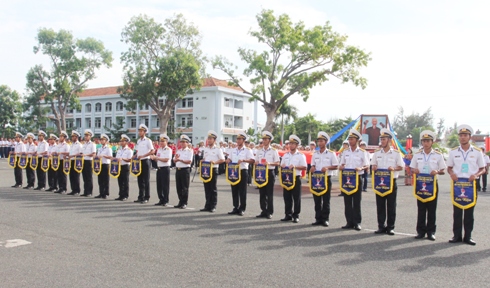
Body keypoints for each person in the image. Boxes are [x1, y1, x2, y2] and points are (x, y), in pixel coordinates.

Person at [447, 124, 485, 245]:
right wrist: (451, 173)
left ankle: (468, 236)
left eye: (465, 135)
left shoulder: (477, 152)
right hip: (457, 184)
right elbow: (449, 168)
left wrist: (476, 175)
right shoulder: (453, 152)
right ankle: (456, 236)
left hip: (470, 184)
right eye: (461, 135)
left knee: (469, 212)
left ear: (470, 137)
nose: (463, 137)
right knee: (457, 211)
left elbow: (483, 168)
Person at [410, 130, 446, 241]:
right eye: (424, 141)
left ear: (432, 142)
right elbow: (412, 168)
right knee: (421, 209)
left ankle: (431, 232)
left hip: (432, 184)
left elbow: (443, 170)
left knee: (431, 209)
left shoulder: (438, 155)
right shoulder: (417, 155)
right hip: (420, 183)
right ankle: (420, 231)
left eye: (428, 141)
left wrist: (437, 171)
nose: (426, 143)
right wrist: (414, 170)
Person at [370, 129, 404, 236]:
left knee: (391, 206)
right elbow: (373, 165)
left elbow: (401, 166)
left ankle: (390, 227)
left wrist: (393, 168)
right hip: (379, 182)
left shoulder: (396, 154)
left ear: (389, 140)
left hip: (391, 182)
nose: (382, 141)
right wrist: (374, 167)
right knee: (380, 205)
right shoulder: (376, 154)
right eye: (381, 139)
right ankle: (381, 226)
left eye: (384, 139)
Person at [339, 129, 369, 231]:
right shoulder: (345, 152)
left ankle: (357, 222)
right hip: (346, 178)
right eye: (349, 139)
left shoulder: (362, 152)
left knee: (356, 201)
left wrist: (361, 168)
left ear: (357, 140)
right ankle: (349, 222)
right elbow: (341, 164)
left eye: (352, 139)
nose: (350, 141)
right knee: (347, 201)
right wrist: (341, 167)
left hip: (357, 178)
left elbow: (366, 165)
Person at [310, 132, 339, 227]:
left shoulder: (331, 154)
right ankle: (318, 218)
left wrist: (327, 168)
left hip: (326, 178)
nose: (319, 143)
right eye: (318, 141)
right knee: (317, 200)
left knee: (326, 200)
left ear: (326, 142)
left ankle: (325, 219)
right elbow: (312, 164)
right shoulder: (315, 154)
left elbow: (336, 166)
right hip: (316, 178)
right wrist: (312, 167)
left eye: (321, 141)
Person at [280, 135, 307, 223]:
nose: (291, 145)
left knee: (296, 197)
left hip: (295, 177)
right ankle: (288, 214)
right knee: (287, 197)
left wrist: (295, 166)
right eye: (290, 143)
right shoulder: (286, 155)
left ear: (297, 145)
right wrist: (282, 166)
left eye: (293, 144)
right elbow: (281, 164)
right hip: (286, 178)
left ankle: (296, 215)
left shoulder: (300, 155)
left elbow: (304, 167)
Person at [226, 131, 254, 216]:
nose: (238, 140)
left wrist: (243, 160)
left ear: (244, 140)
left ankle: (242, 208)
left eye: (240, 139)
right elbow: (230, 158)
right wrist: (228, 160)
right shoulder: (233, 150)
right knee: (234, 189)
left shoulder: (247, 150)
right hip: (234, 171)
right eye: (237, 139)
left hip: (242, 170)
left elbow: (252, 160)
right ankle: (235, 207)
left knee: (242, 190)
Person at [254, 131, 280, 219]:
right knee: (262, 192)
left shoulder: (273, 151)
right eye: (263, 139)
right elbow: (255, 161)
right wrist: (256, 162)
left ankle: (269, 211)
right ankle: (263, 210)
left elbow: (277, 163)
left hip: (269, 172)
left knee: (269, 193)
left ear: (270, 141)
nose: (264, 141)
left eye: (266, 139)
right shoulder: (259, 151)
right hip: (261, 172)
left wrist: (269, 163)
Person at [200, 130, 225, 212]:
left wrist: (215, 162)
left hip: (213, 169)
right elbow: (205, 158)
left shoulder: (218, 149)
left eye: (211, 139)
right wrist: (203, 160)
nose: (209, 140)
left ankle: (213, 205)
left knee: (213, 188)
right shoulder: (206, 149)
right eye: (208, 138)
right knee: (206, 188)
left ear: (214, 140)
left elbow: (222, 160)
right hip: (206, 169)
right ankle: (207, 205)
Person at [134, 124, 154, 204]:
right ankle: (140, 196)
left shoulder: (148, 141)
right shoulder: (138, 141)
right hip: (139, 161)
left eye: (141, 131)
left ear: (145, 132)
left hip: (146, 160)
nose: (139, 132)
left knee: (146, 180)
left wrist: (143, 155)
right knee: (140, 179)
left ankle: (146, 197)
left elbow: (152, 151)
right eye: (139, 131)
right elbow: (137, 151)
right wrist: (135, 155)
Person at [151, 134, 172, 206]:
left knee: (165, 185)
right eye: (160, 141)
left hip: (165, 168)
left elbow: (166, 159)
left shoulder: (169, 150)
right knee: (159, 185)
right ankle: (161, 199)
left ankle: (165, 200)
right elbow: (158, 160)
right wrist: (154, 158)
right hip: (159, 168)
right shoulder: (159, 149)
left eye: (163, 141)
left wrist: (157, 158)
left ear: (166, 142)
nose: (161, 143)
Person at [174, 135, 193, 209]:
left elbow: (189, 161)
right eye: (181, 142)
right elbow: (174, 159)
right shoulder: (179, 150)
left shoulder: (189, 151)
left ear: (187, 143)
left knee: (185, 187)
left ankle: (184, 202)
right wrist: (175, 160)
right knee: (178, 187)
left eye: (184, 142)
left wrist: (180, 160)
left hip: (185, 170)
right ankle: (180, 201)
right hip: (178, 169)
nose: (182, 143)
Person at [114, 134, 133, 201]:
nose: (121, 142)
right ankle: (121, 195)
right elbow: (117, 158)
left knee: (125, 181)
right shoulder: (119, 150)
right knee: (120, 181)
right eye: (121, 141)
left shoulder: (129, 150)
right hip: (119, 166)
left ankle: (125, 195)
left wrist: (123, 159)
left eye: (123, 141)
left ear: (126, 142)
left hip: (125, 166)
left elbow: (130, 159)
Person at [95, 134, 112, 199]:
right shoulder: (99, 148)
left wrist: (104, 156)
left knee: (106, 180)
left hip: (105, 164)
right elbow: (98, 156)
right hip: (99, 164)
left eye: (103, 140)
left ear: (106, 141)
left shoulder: (108, 149)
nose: (101, 141)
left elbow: (110, 157)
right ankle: (101, 193)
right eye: (101, 140)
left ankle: (106, 193)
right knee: (100, 179)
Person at [81, 129, 96, 197]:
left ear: (90, 136)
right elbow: (82, 153)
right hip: (83, 161)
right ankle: (85, 191)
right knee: (84, 177)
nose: (86, 137)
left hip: (89, 161)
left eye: (87, 136)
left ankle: (89, 192)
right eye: (85, 135)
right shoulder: (84, 144)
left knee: (89, 177)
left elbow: (93, 154)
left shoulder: (92, 144)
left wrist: (86, 155)